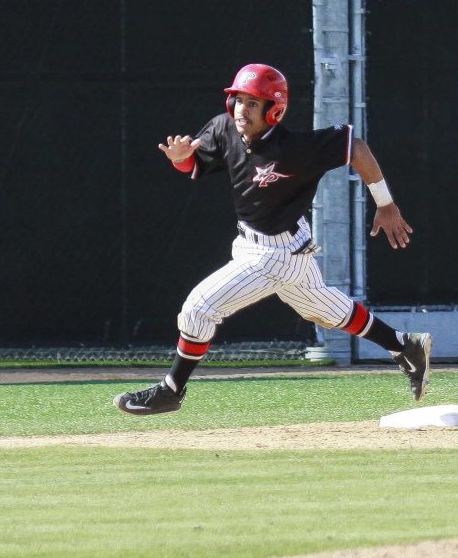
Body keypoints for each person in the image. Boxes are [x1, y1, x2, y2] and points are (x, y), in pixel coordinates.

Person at [114, 64, 431, 415]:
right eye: (238, 100)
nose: (241, 109)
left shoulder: (295, 148)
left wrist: (385, 203)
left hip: (276, 253)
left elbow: (356, 148)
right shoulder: (224, 128)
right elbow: (196, 164)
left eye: (253, 103)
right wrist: (181, 159)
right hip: (259, 243)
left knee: (199, 308)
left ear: (274, 110)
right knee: (325, 310)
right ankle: (405, 346)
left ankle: (172, 389)